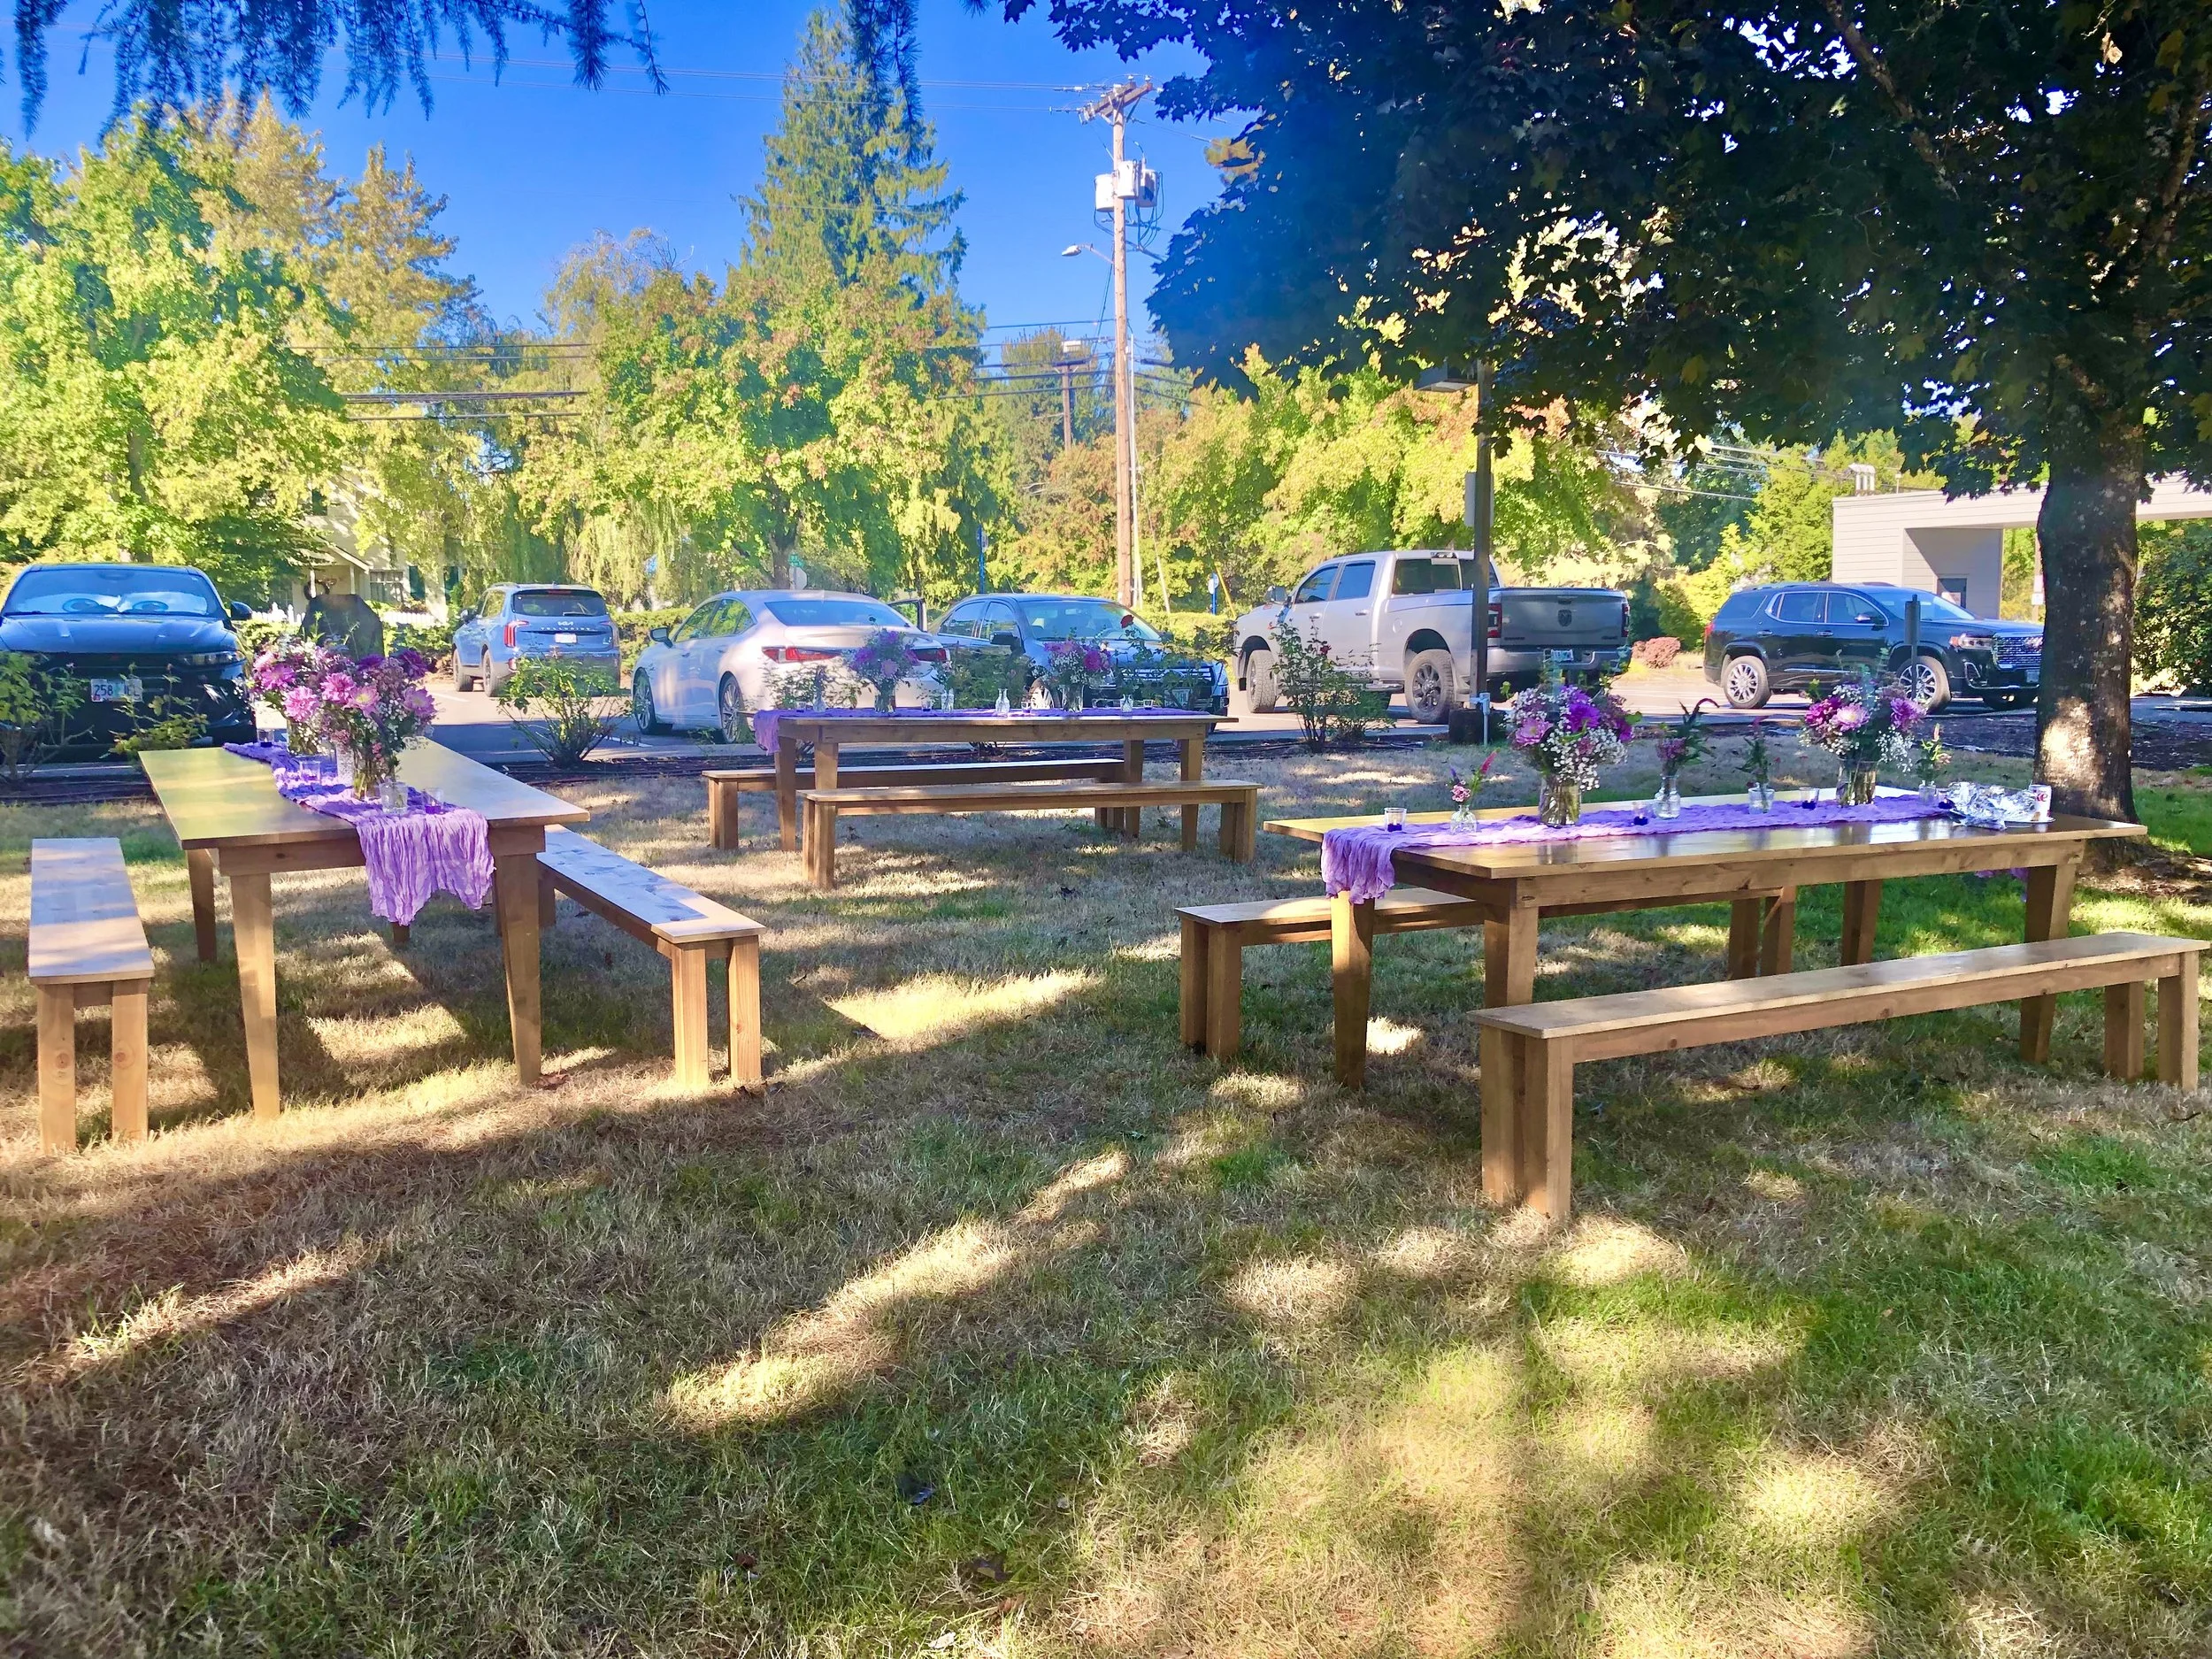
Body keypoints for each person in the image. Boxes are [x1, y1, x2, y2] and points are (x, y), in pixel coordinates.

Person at [303, 590, 384, 659]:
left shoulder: (366, 619)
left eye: (343, 598)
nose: (334, 600)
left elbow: (375, 655)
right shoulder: (317, 619)